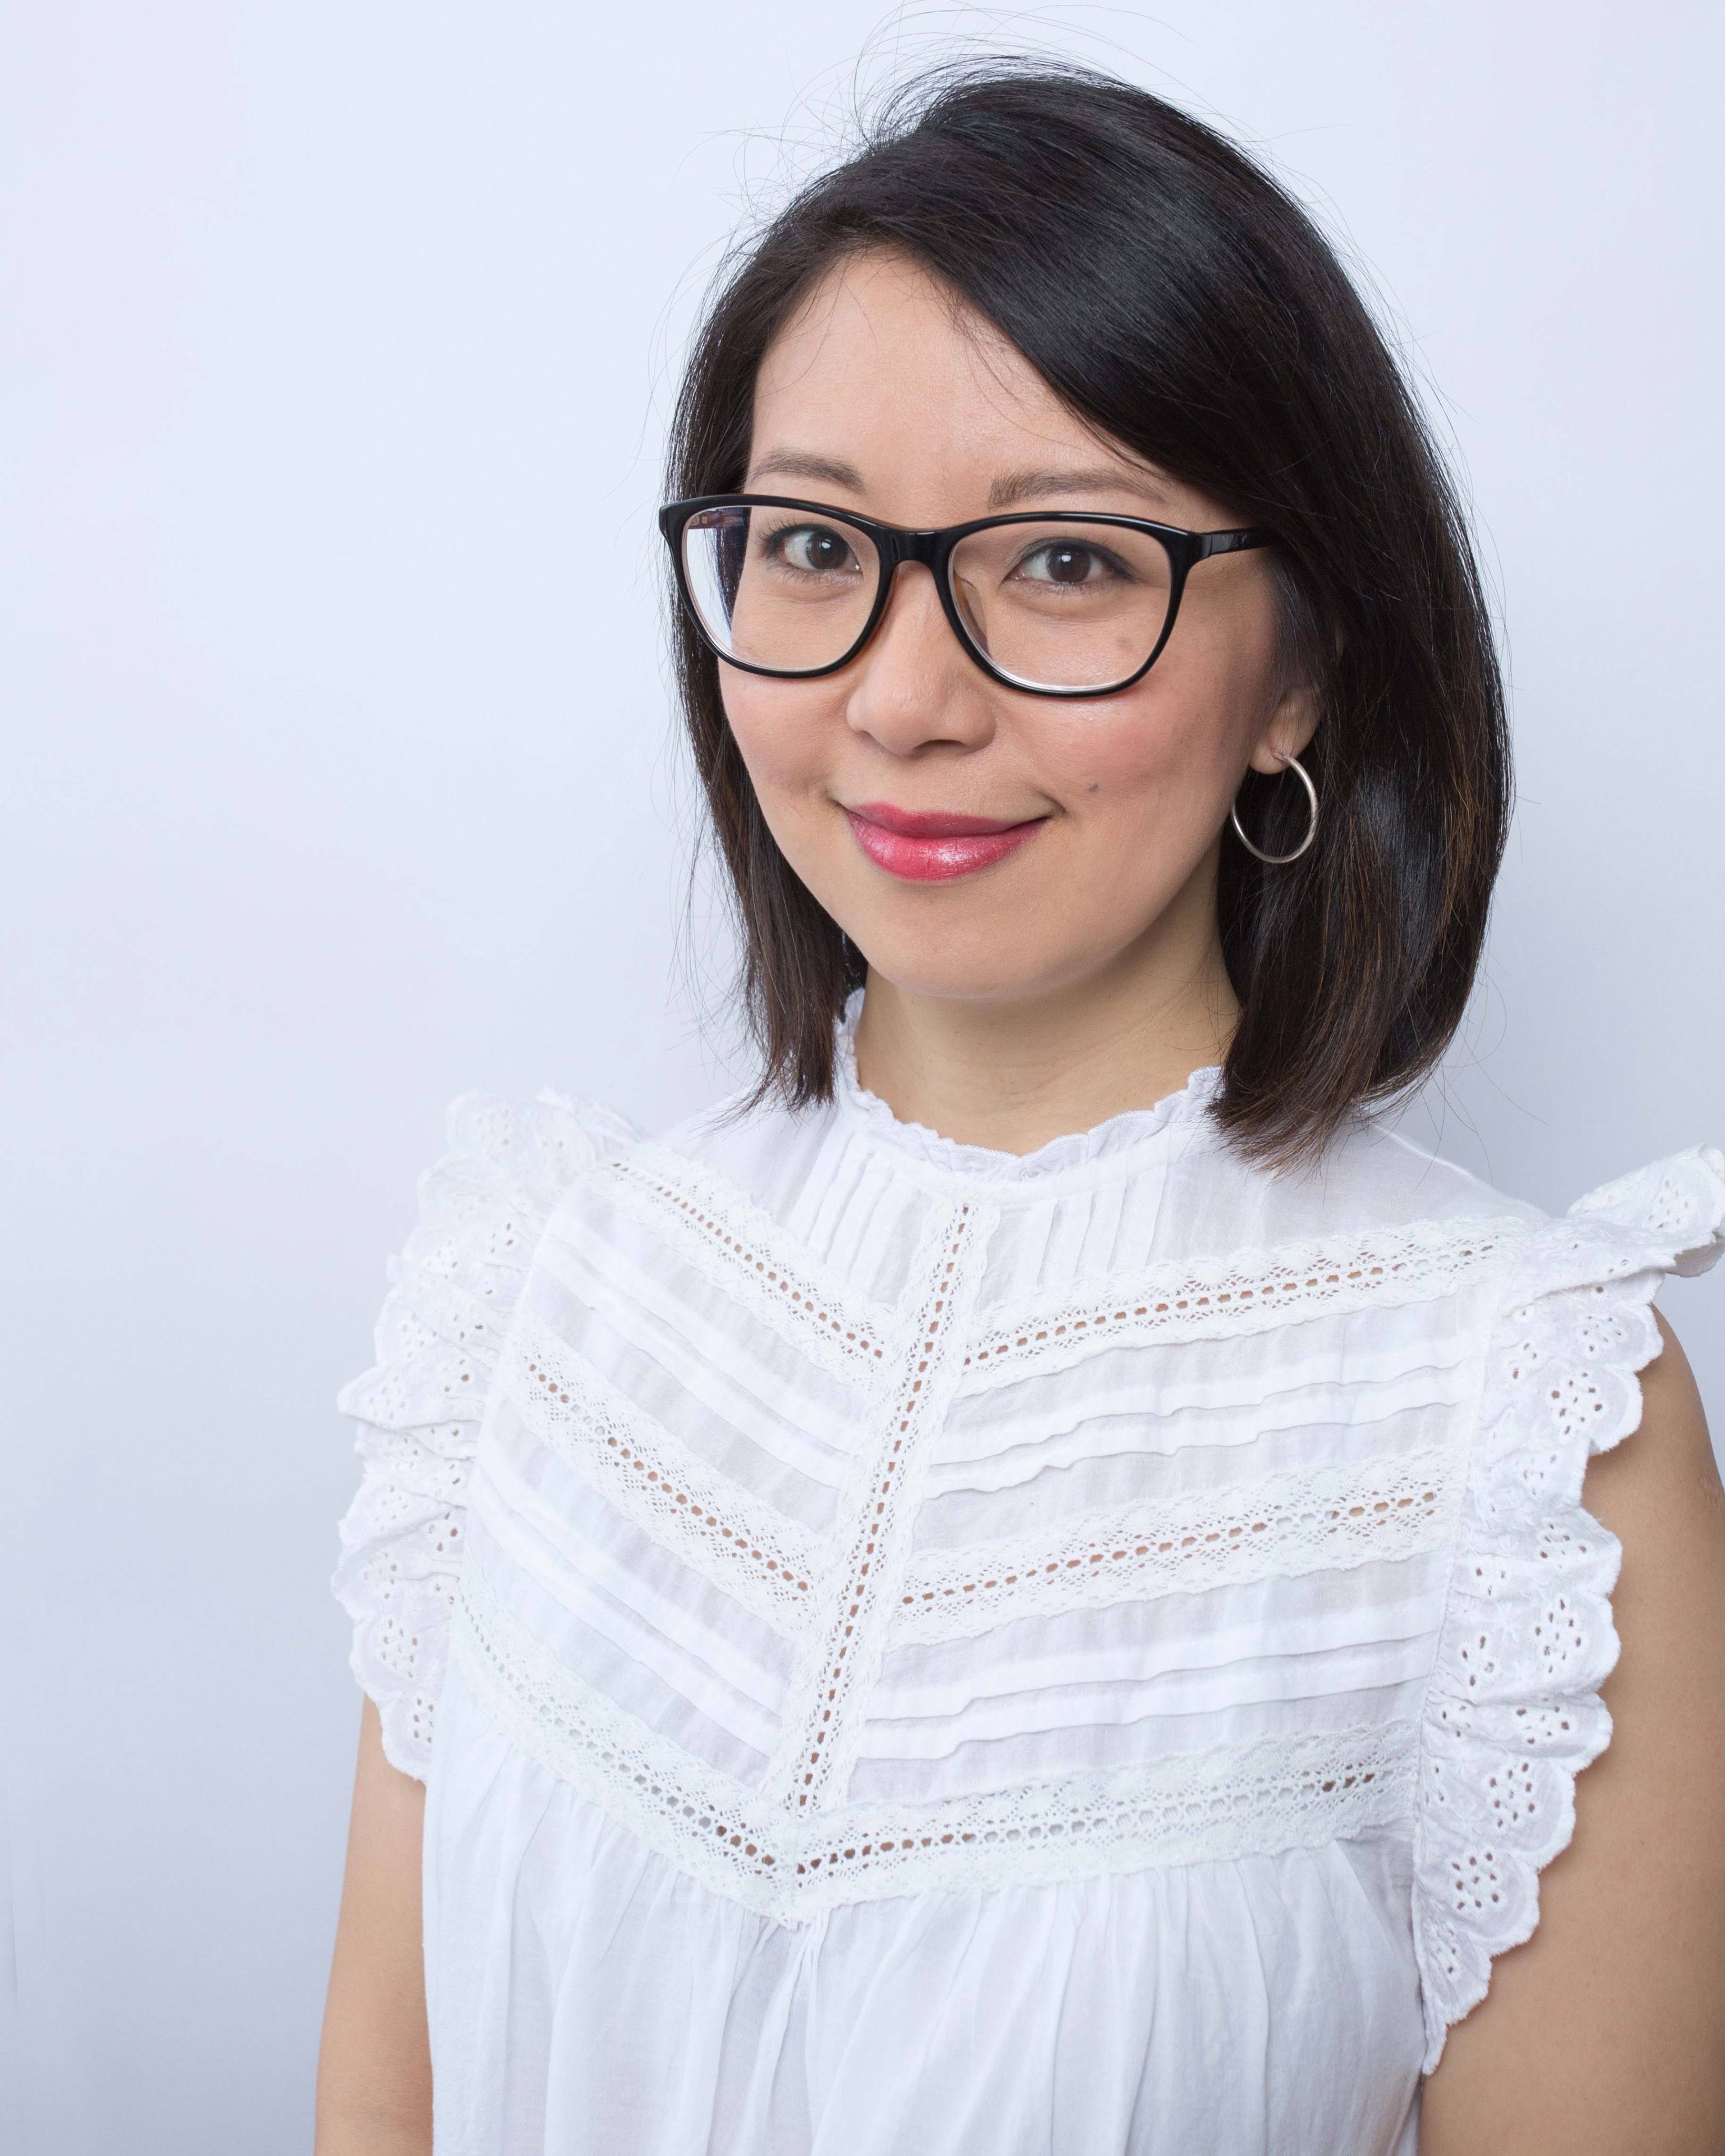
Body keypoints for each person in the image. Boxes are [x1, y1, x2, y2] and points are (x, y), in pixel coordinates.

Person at [314, 62, 1725, 2156]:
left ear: (1304, 665)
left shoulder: (1524, 1424)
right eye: (810, 543)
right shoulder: (528, 1299)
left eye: (1063, 560)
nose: (899, 694)